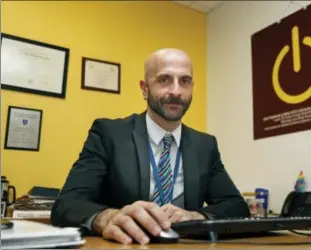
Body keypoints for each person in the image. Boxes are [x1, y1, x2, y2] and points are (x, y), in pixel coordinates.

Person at [51, 48, 250, 245]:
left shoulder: (205, 145)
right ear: (145, 88)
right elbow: (67, 204)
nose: (176, 91)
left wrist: (197, 216)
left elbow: (237, 207)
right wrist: (107, 218)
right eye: (164, 80)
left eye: (185, 81)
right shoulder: (109, 134)